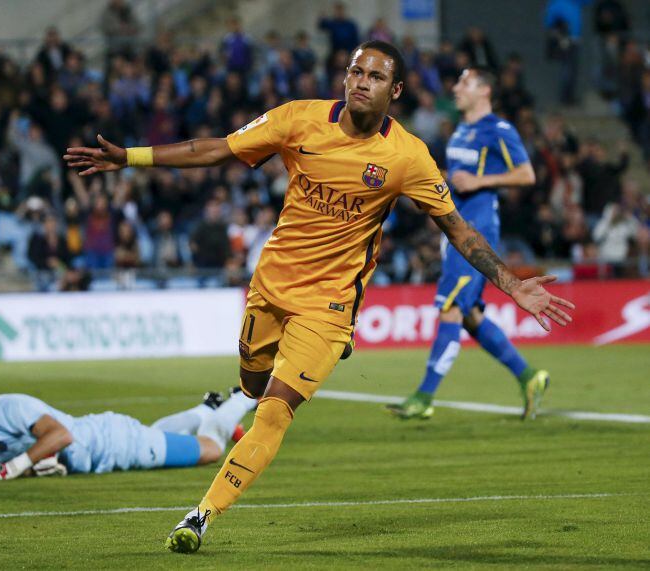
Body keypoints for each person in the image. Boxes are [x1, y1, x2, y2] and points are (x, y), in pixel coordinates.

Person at [64, 40, 574, 553]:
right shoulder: (298, 119)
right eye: (355, 71)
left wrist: (510, 283)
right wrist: (130, 157)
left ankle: (199, 516)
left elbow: (459, 230)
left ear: (394, 91)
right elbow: (215, 148)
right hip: (269, 287)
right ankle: (227, 408)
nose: (360, 81)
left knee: (276, 409)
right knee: (251, 383)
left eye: (374, 76)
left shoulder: (408, 156)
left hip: (328, 306)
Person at [388, 66, 551, 422]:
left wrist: (480, 180)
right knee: (471, 317)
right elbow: (457, 180)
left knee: (449, 306)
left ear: (484, 91)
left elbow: (527, 174)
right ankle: (529, 376)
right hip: (456, 229)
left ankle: (424, 396)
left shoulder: (500, 130)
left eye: (464, 82)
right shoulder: (462, 131)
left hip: (478, 229)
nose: (456, 87)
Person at [0, 382, 256, 480]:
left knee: (211, 449)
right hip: (106, 446)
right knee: (155, 434)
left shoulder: (4, 408)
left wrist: (12, 468)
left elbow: (60, 435)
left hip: (113, 443)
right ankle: (206, 408)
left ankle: (244, 397)